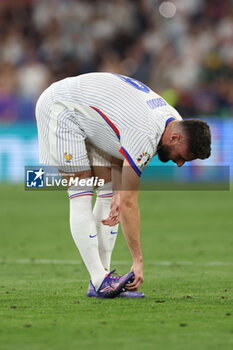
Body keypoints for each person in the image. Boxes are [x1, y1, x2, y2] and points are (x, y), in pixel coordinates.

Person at [35, 72, 211, 298]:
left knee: (109, 193)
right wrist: (137, 261)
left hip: (88, 114)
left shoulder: (173, 120)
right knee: (82, 192)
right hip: (61, 109)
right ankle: (100, 281)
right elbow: (130, 203)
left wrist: (119, 192)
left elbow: (119, 143)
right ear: (175, 138)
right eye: (183, 157)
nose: (179, 163)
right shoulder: (147, 133)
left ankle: (103, 277)